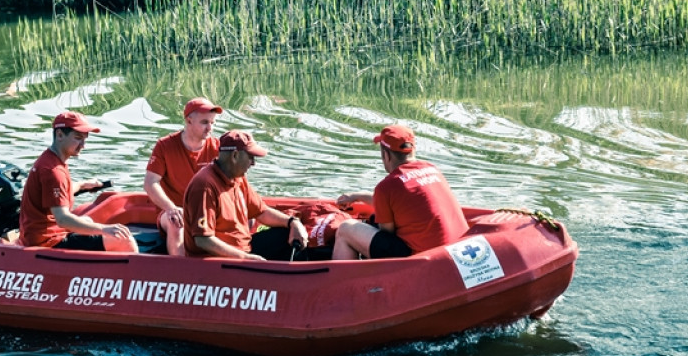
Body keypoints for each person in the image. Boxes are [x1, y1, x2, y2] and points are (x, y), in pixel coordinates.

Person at [332, 124, 467, 260]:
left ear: (386, 155)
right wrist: (357, 196)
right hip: (455, 249)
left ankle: (341, 279)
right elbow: (399, 204)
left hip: (423, 258)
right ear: (412, 150)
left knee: (345, 229)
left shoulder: (387, 187)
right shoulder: (432, 169)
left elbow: (387, 233)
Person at [18, 111, 138, 252]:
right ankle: (138, 273)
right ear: (60, 135)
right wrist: (105, 229)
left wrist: (82, 185)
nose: (83, 145)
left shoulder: (51, 160)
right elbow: (62, 219)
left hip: (42, 234)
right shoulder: (53, 171)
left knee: (88, 220)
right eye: (78, 138)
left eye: (85, 139)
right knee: (122, 239)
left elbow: (57, 191)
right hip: (47, 241)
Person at [183, 130, 308, 260]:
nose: (253, 163)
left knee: (288, 235)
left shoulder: (238, 177)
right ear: (235, 156)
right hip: (216, 260)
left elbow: (261, 212)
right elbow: (203, 240)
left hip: (244, 250)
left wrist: (293, 223)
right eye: (250, 157)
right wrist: (245, 258)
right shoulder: (204, 186)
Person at [143, 97, 223, 256]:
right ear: (189, 120)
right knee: (177, 222)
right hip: (173, 210)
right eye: (205, 122)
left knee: (246, 218)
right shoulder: (165, 145)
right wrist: (170, 207)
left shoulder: (217, 147)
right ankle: (180, 274)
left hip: (206, 211)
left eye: (213, 123)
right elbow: (150, 183)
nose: (210, 128)